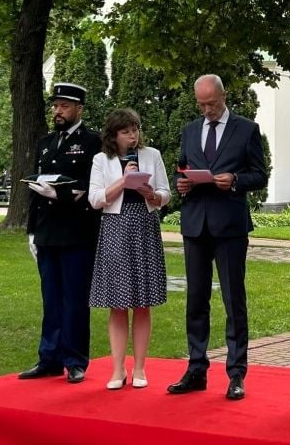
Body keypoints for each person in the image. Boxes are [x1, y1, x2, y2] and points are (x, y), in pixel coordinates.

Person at [167, 74, 268, 400]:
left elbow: (260, 174)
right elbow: (182, 168)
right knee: (196, 300)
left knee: (232, 300)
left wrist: (235, 179)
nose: (207, 109)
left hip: (229, 226)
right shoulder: (190, 131)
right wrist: (182, 183)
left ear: (223, 96)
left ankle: (236, 374)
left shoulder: (246, 129)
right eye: (201, 104)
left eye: (211, 103)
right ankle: (196, 368)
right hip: (195, 223)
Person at [20, 83, 102, 384]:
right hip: (47, 231)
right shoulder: (45, 143)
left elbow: (89, 186)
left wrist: (61, 195)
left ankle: (75, 359)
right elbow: (33, 189)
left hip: (76, 232)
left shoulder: (92, 143)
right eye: (55, 105)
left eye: (64, 106)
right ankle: (49, 357)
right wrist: (31, 231)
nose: (57, 111)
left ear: (79, 108)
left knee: (74, 299)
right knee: (50, 297)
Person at [88, 108, 171, 390]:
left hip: (144, 227)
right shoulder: (102, 160)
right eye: (126, 131)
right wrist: (124, 180)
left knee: (143, 302)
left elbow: (166, 194)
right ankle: (116, 369)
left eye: (135, 129)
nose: (132, 136)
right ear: (114, 135)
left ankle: (140, 367)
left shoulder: (152, 155)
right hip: (115, 228)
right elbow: (96, 199)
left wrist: (152, 194)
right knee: (117, 303)